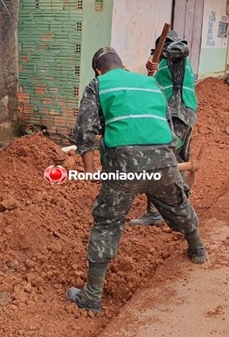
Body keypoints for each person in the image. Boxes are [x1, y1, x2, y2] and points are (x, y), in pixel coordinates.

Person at [66, 47, 206, 314]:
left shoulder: (99, 84)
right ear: (122, 65)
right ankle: (198, 249)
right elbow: (166, 124)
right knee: (177, 204)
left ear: (98, 70)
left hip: (124, 165)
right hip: (164, 159)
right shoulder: (151, 83)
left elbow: (85, 131)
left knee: (107, 222)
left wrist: (90, 169)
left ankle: (92, 296)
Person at [130, 30, 198, 226]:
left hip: (177, 113)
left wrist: (163, 55)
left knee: (160, 159)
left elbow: (182, 48)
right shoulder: (165, 66)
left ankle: (155, 211)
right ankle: (181, 203)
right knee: (178, 160)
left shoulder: (177, 56)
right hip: (182, 114)